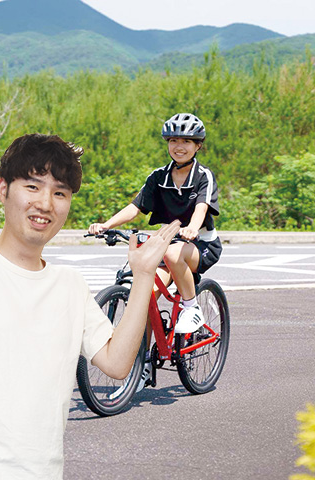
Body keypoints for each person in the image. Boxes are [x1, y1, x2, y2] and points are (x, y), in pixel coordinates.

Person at [0, 133, 180, 479]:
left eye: (60, 193)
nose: (45, 203)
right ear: (2, 189)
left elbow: (116, 363)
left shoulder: (70, 285)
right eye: (32, 186)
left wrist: (144, 275)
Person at [88, 113, 221, 390]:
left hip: (200, 245)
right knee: (144, 297)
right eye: (173, 140)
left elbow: (201, 208)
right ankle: (145, 365)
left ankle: (191, 307)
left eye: (187, 141)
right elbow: (136, 207)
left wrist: (192, 229)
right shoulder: (159, 176)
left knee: (174, 255)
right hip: (168, 242)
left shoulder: (203, 176)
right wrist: (106, 224)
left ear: (198, 145)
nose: (179, 146)